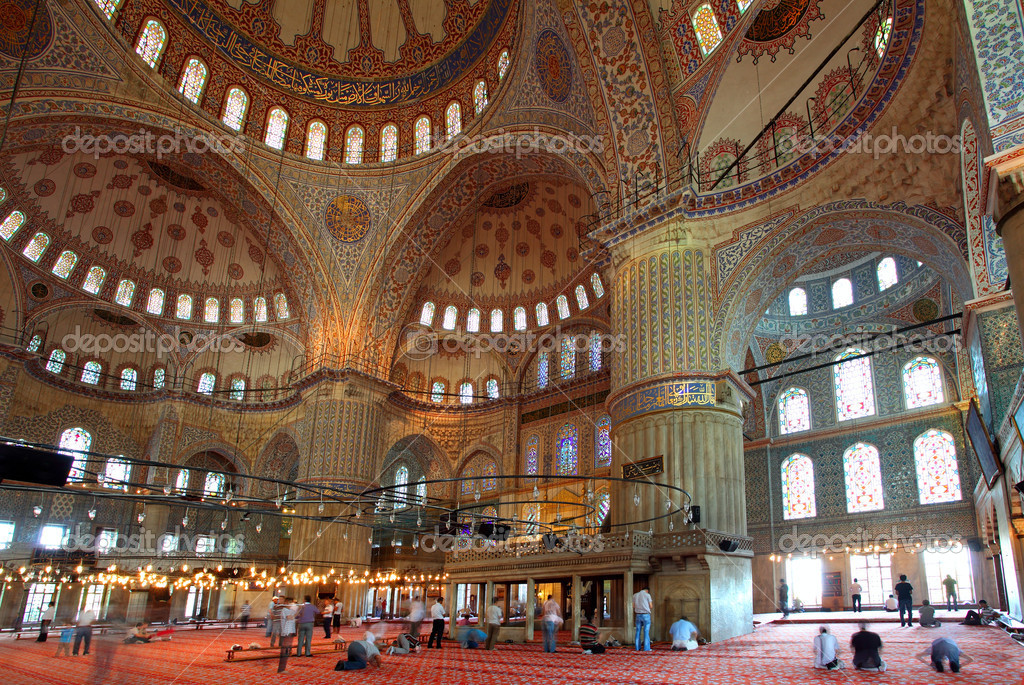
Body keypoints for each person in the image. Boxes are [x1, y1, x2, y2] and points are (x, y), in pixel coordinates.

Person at [277, 597, 297, 673]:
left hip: (290, 631)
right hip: (286, 631)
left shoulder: (290, 610)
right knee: (284, 650)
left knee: (287, 650)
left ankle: (283, 668)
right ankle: (281, 669)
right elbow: (289, 617)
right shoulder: (285, 610)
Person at [632, 586, 652, 651]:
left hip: (638, 615)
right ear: (647, 591)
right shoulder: (647, 595)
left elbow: (633, 606)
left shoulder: (635, 595)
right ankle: (646, 648)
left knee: (637, 631)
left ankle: (637, 648)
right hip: (646, 615)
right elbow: (651, 606)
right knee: (646, 631)